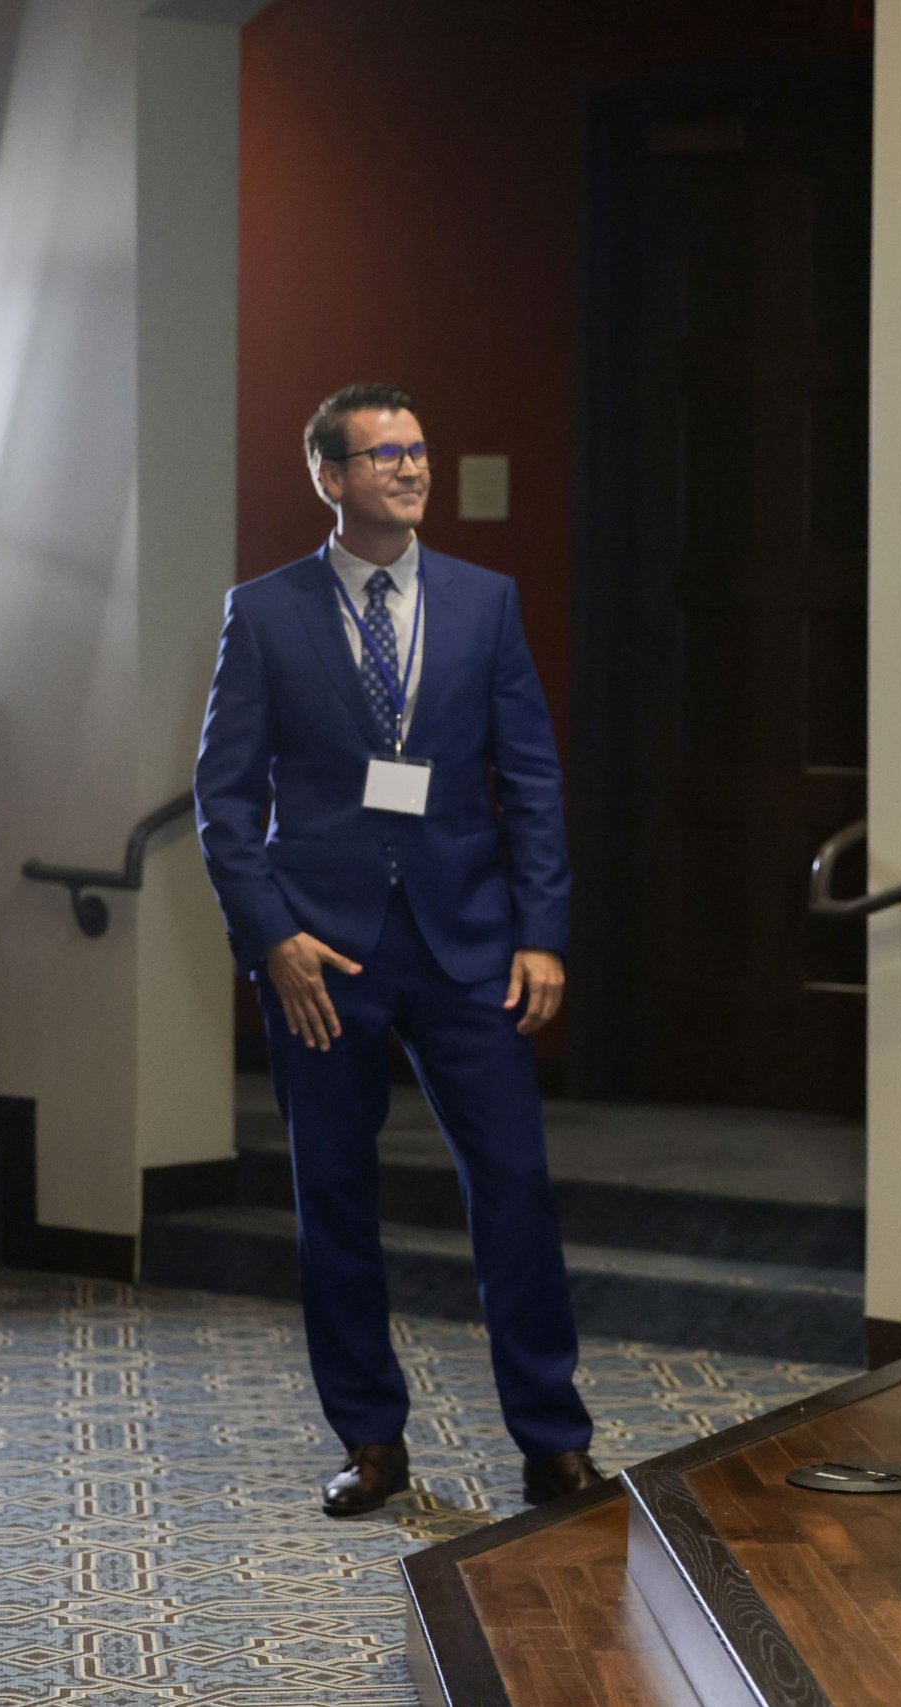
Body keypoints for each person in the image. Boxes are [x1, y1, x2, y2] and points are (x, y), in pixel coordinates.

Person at [193, 382, 603, 1517]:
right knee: (333, 1197)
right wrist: (272, 939)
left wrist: (542, 932)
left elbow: (530, 778)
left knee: (514, 1187)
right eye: (384, 456)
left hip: (467, 943)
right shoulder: (263, 613)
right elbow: (223, 799)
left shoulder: (484, 602)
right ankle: (370, 1440)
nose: (412, 469)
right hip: (322, 957)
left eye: (418, 450)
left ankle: (553, 1439)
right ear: (329, 477)